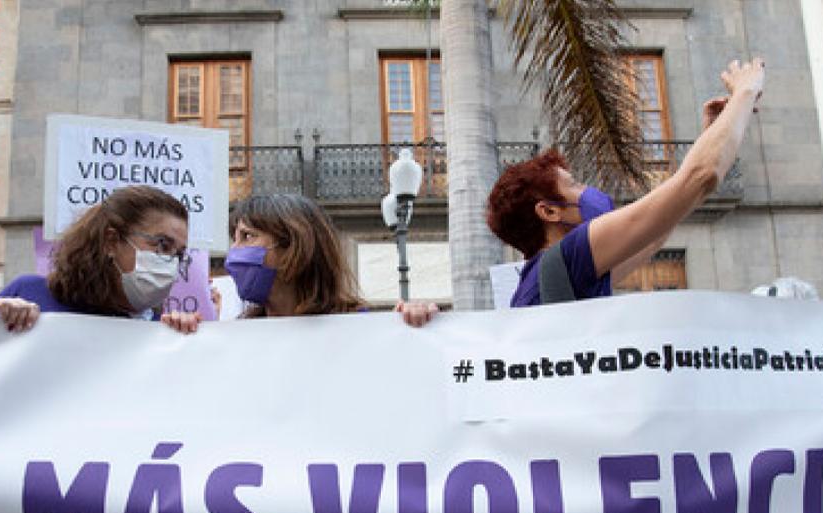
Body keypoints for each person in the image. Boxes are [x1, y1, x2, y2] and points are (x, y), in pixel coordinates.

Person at [488, 58, 765, 307]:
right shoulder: (570, 256)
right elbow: (701, 176)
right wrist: (745, 91)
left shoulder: (550, 277)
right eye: (574, 185)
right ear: (549, 211)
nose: (587, 190)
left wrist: (712, 135)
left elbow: (654, 236)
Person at [162, 193, 436, 332]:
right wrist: (182, 333)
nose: (234, 252)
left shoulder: (360, 330)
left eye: (247, 236)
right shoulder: (239, 335)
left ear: (295, 247)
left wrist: (418, 323)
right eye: (234, 238)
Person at [0, 185, 189, 331]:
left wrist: (183, 338)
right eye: (162, 244)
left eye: (178, 254)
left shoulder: (157, 329)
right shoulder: (30, 293)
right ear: (111, 241)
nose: (170, 262)